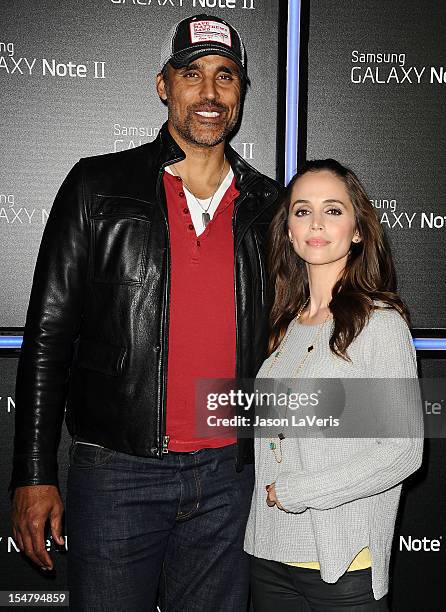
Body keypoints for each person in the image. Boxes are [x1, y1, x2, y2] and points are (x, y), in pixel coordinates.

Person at [10, 14, 281, 612]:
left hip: (228, 480)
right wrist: (34, 472)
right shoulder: (97, 187)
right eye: (192, 75)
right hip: (116, 477)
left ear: (241, 93)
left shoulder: (271, 207)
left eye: (225, 76)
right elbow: (49, 335)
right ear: (164, 86)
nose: (209, 93)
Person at [244, 159, 424, 611]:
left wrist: (298, 492)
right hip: (270, 555)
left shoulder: (380, 325)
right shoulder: (284, 326)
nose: (317, 223)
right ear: (288, 231)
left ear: (358, 230)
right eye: (302, 211)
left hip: (341, 564)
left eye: (334, 210)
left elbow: (403, 451)